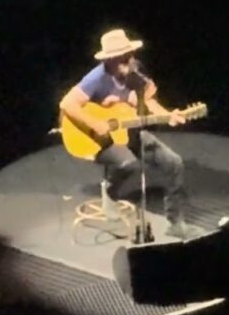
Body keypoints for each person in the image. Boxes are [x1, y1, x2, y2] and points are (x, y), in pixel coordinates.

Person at [59, 28, 205, 239]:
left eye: (129, 54)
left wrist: (168, 115)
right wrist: (94, 123)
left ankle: (176, 223)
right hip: (96, 139)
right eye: (122, 56)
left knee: (174, 163)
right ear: (109, 59)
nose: (128, 59)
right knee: (129, 164)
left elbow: (148, 101)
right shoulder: (96, 78)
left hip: (128, 131)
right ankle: (110, 191)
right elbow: (67, 104)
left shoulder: (134, 75)